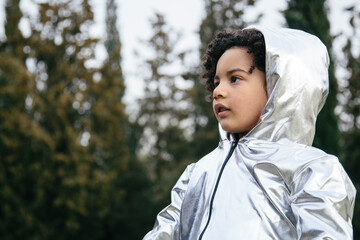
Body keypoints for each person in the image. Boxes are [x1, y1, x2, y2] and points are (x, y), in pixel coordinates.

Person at [143, 26, 356, 239]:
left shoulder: (311, 170)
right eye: (216, 82)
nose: (218, 91)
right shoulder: (196, 174)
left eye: (235, 78)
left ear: (278, 88)